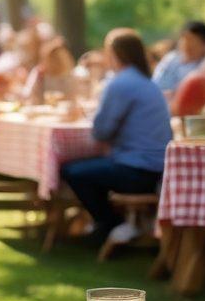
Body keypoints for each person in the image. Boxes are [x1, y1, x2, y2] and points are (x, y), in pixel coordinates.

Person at [61, 28, 172, 247]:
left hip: (136, 170)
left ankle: (109, 223)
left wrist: (89, 115)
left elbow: (101, 132)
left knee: (72, 171)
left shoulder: (121, 83)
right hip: (157, 169)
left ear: (115, 54)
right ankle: (116, 224)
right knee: (90, 170)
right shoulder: (147, 82)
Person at [151, 20, 205, 108]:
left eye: (192, 39)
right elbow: (157, 86)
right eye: (184, 38)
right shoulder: (171, 59)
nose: (186, 43)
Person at [22, 37, 77, 104]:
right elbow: (28, 94)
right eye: (52, 58)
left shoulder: (69, 75)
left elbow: (74, 96)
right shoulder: (39, 73)